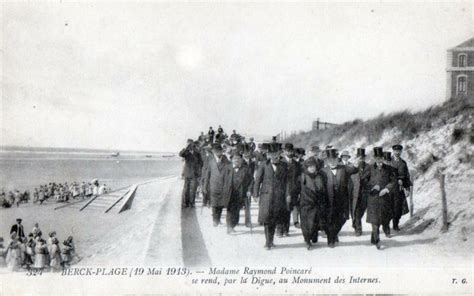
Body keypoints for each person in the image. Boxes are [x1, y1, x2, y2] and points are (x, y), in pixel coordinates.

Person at [252, 143, 290, 250]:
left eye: (276, 154)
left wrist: (287, 194)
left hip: (279, 196)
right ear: (268, 155)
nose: (273, 156)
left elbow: (287, 182)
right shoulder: (263, 164)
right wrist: (255, 193)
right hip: (266, 196)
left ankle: (271, 240)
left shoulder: (284, 166)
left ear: (279, 154)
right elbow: (258, 180)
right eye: (271, 154)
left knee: (274, 219)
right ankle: (268, 242)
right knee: (267, 219)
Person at [358, 147, 396, 250]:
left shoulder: (389, 169)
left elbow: (393, 181)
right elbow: (363, 180)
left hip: (384, 198)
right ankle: (377, 239)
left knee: (383, 219)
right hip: (373, 198)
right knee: (375, 221)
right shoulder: (369, 168)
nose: (379, 160)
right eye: (377, 158)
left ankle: (373, 236)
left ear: (383, 158)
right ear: (374, 158)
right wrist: (372, 187)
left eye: (381, 158)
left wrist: (387, 189)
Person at [320, 149, 358, 248]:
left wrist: (356, 165)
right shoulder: (323, 171)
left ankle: (334, 233)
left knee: (342, 219)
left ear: (337, 159)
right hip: (328, 200)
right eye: (330, 160)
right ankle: (330, 239)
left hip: (342, 200)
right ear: (327, 161)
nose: (332, 161)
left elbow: (354, 170)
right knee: (329, 220)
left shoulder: (343, 168)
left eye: (334, 159)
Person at [299, 158, 329, 250]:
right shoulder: (302, 176)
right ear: (306, 168)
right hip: (306, 204)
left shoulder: (320, 176)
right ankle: (307, 241)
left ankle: (313, 237)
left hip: (317, 204)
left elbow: (324, 189)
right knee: (306, 224)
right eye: (310, 167)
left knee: (315, 223)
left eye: (313, 166)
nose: (312, 168)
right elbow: (296, 189)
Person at [203, 143, 232, 226]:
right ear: (213, 152)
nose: (218, 153)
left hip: (223, 186)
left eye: (219, 151)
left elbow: (230, 174)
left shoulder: (227, 162)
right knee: (214, 205)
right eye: (215, 151)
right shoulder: (211, 162)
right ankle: (215, 221)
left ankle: (218, 219)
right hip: (213, 186)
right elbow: (207, 175)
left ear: (221, 151)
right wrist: (205, 187)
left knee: (220, 205)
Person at [225, 153, 252, 233]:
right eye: (234, 158)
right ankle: (229, 226)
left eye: (238, 158)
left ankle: (233, 224)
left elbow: (251, 181)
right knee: (230, 210)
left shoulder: (246, 169)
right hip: (230, 192)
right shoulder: (227, 168)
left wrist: (249, 190)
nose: (236, 160)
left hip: (241, 193)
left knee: (237, 210)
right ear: (231, 160)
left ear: (241, 160)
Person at [279, 143, 301, 236]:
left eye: (291, 151)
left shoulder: (296, 164)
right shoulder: (280, 162)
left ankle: (286, 230)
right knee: (281, 209)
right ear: (284, 152)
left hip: (293, 190)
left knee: (289, 209)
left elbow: (299, 177)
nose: (289, 152)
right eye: (288, 151)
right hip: (282, 190)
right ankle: (279, 229)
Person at [350, 148, 371, 236]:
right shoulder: (353, 167)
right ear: (356, 158)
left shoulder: (369, 167)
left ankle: (355, 222)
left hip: (364, 192)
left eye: (362, 157)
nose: (360, 159)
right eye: (359, 157)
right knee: (356, 211)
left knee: (362, 210)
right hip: (354, 192)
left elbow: (371, 179)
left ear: (364, 158)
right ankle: (358, 229)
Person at [390, 144, 411, 231]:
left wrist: (407, 188)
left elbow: (407, 176)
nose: (397, 152)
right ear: (393, 151)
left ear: (401, 152)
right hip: (389, 188)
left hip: (399, 189)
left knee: (398, 208)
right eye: (395, 151)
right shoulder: (388, 161)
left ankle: (395, 224)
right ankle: (386, 225)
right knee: (388, 208)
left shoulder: (403, 163)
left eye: (399, 151)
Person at [180, 139, 203, 208]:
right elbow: (181, 154)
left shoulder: (197, 153)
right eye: (189, 144)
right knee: (186, 189)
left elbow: (201, 163)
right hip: (187, 173)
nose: (191, 146)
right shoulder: (186, 152)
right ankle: (185, 203)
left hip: (195, 174)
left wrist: (199, 172)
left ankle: (191, 203)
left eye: (191, 144)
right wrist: (186, 148)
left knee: (193, 189)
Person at [242, 144, 256, 227]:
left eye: (248, 153)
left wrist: (250, 189)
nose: (247, 155)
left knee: (247, 205)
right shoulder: (239, 161)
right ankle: (232, 223)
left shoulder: (252, 163)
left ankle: (248, 222)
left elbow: (252, 177)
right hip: (238, 187)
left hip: (247, 186)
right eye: (245, 153)